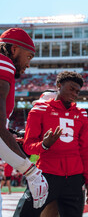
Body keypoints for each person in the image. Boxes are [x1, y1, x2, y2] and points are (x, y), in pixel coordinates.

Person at [14, 71, 88, 217]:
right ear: (59, 85)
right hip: (47, 175)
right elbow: (28, 146)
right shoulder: (39, 110)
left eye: (77, 91)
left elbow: (85, 150)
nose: (75, 94)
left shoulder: (81, 113)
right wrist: (44, 145)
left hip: (75, 179)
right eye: (71, 88)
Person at [0, 28, 48, 212]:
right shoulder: (4, 63)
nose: (28, 64)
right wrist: (30, 171)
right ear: (14, 50)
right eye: (28, 56)